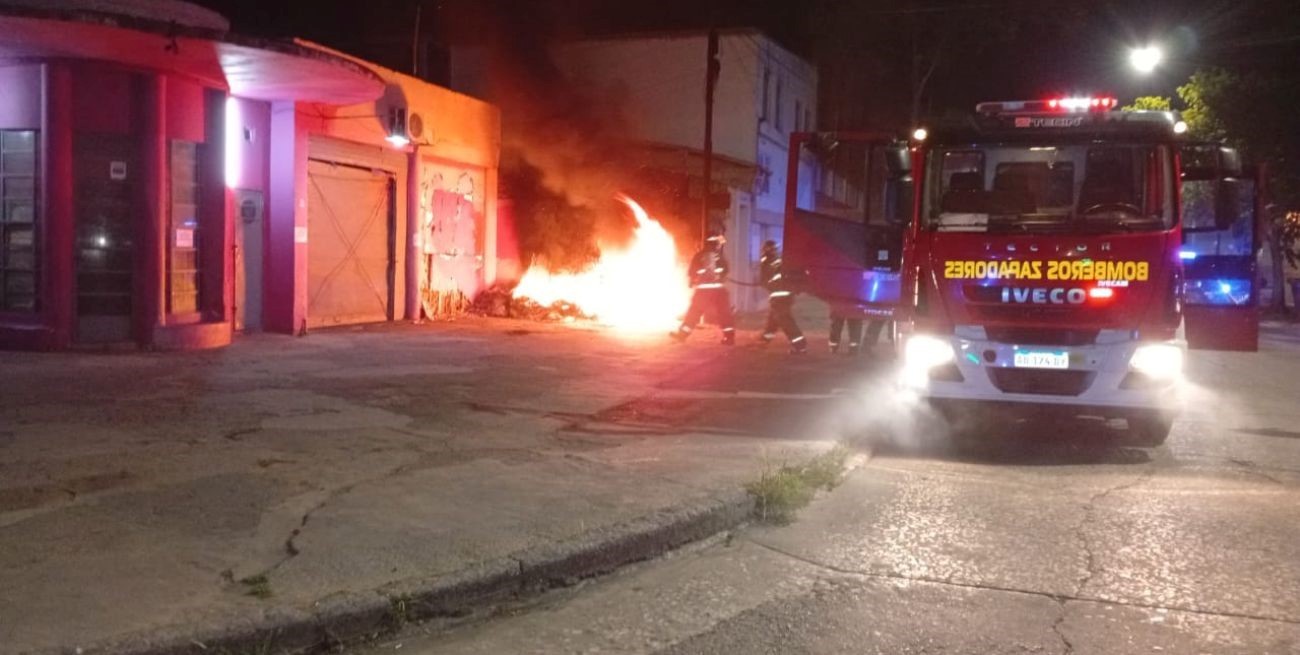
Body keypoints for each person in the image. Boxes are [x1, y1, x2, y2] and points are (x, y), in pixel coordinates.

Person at [671, 230, 736, 345]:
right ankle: (729, 337)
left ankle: (682, 334)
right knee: (724, 312)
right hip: (719, 290)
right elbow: (726, 269)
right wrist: (720, 276)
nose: (719, 245)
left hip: (704, 290)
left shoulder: (700, 255)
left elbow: (692, 270)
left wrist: (691, 280)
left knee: (694, 312)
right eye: (718, 242)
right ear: (715, 242)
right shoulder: (719, 257)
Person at [758, 240, 807, 353]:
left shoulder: (770, 261)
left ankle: (800, 346)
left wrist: (768, 284)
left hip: (780, 296)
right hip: (783, 295)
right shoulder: (776, 261)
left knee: (785, 320)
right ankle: (765, 340)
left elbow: (765, 279)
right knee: (774, 319)